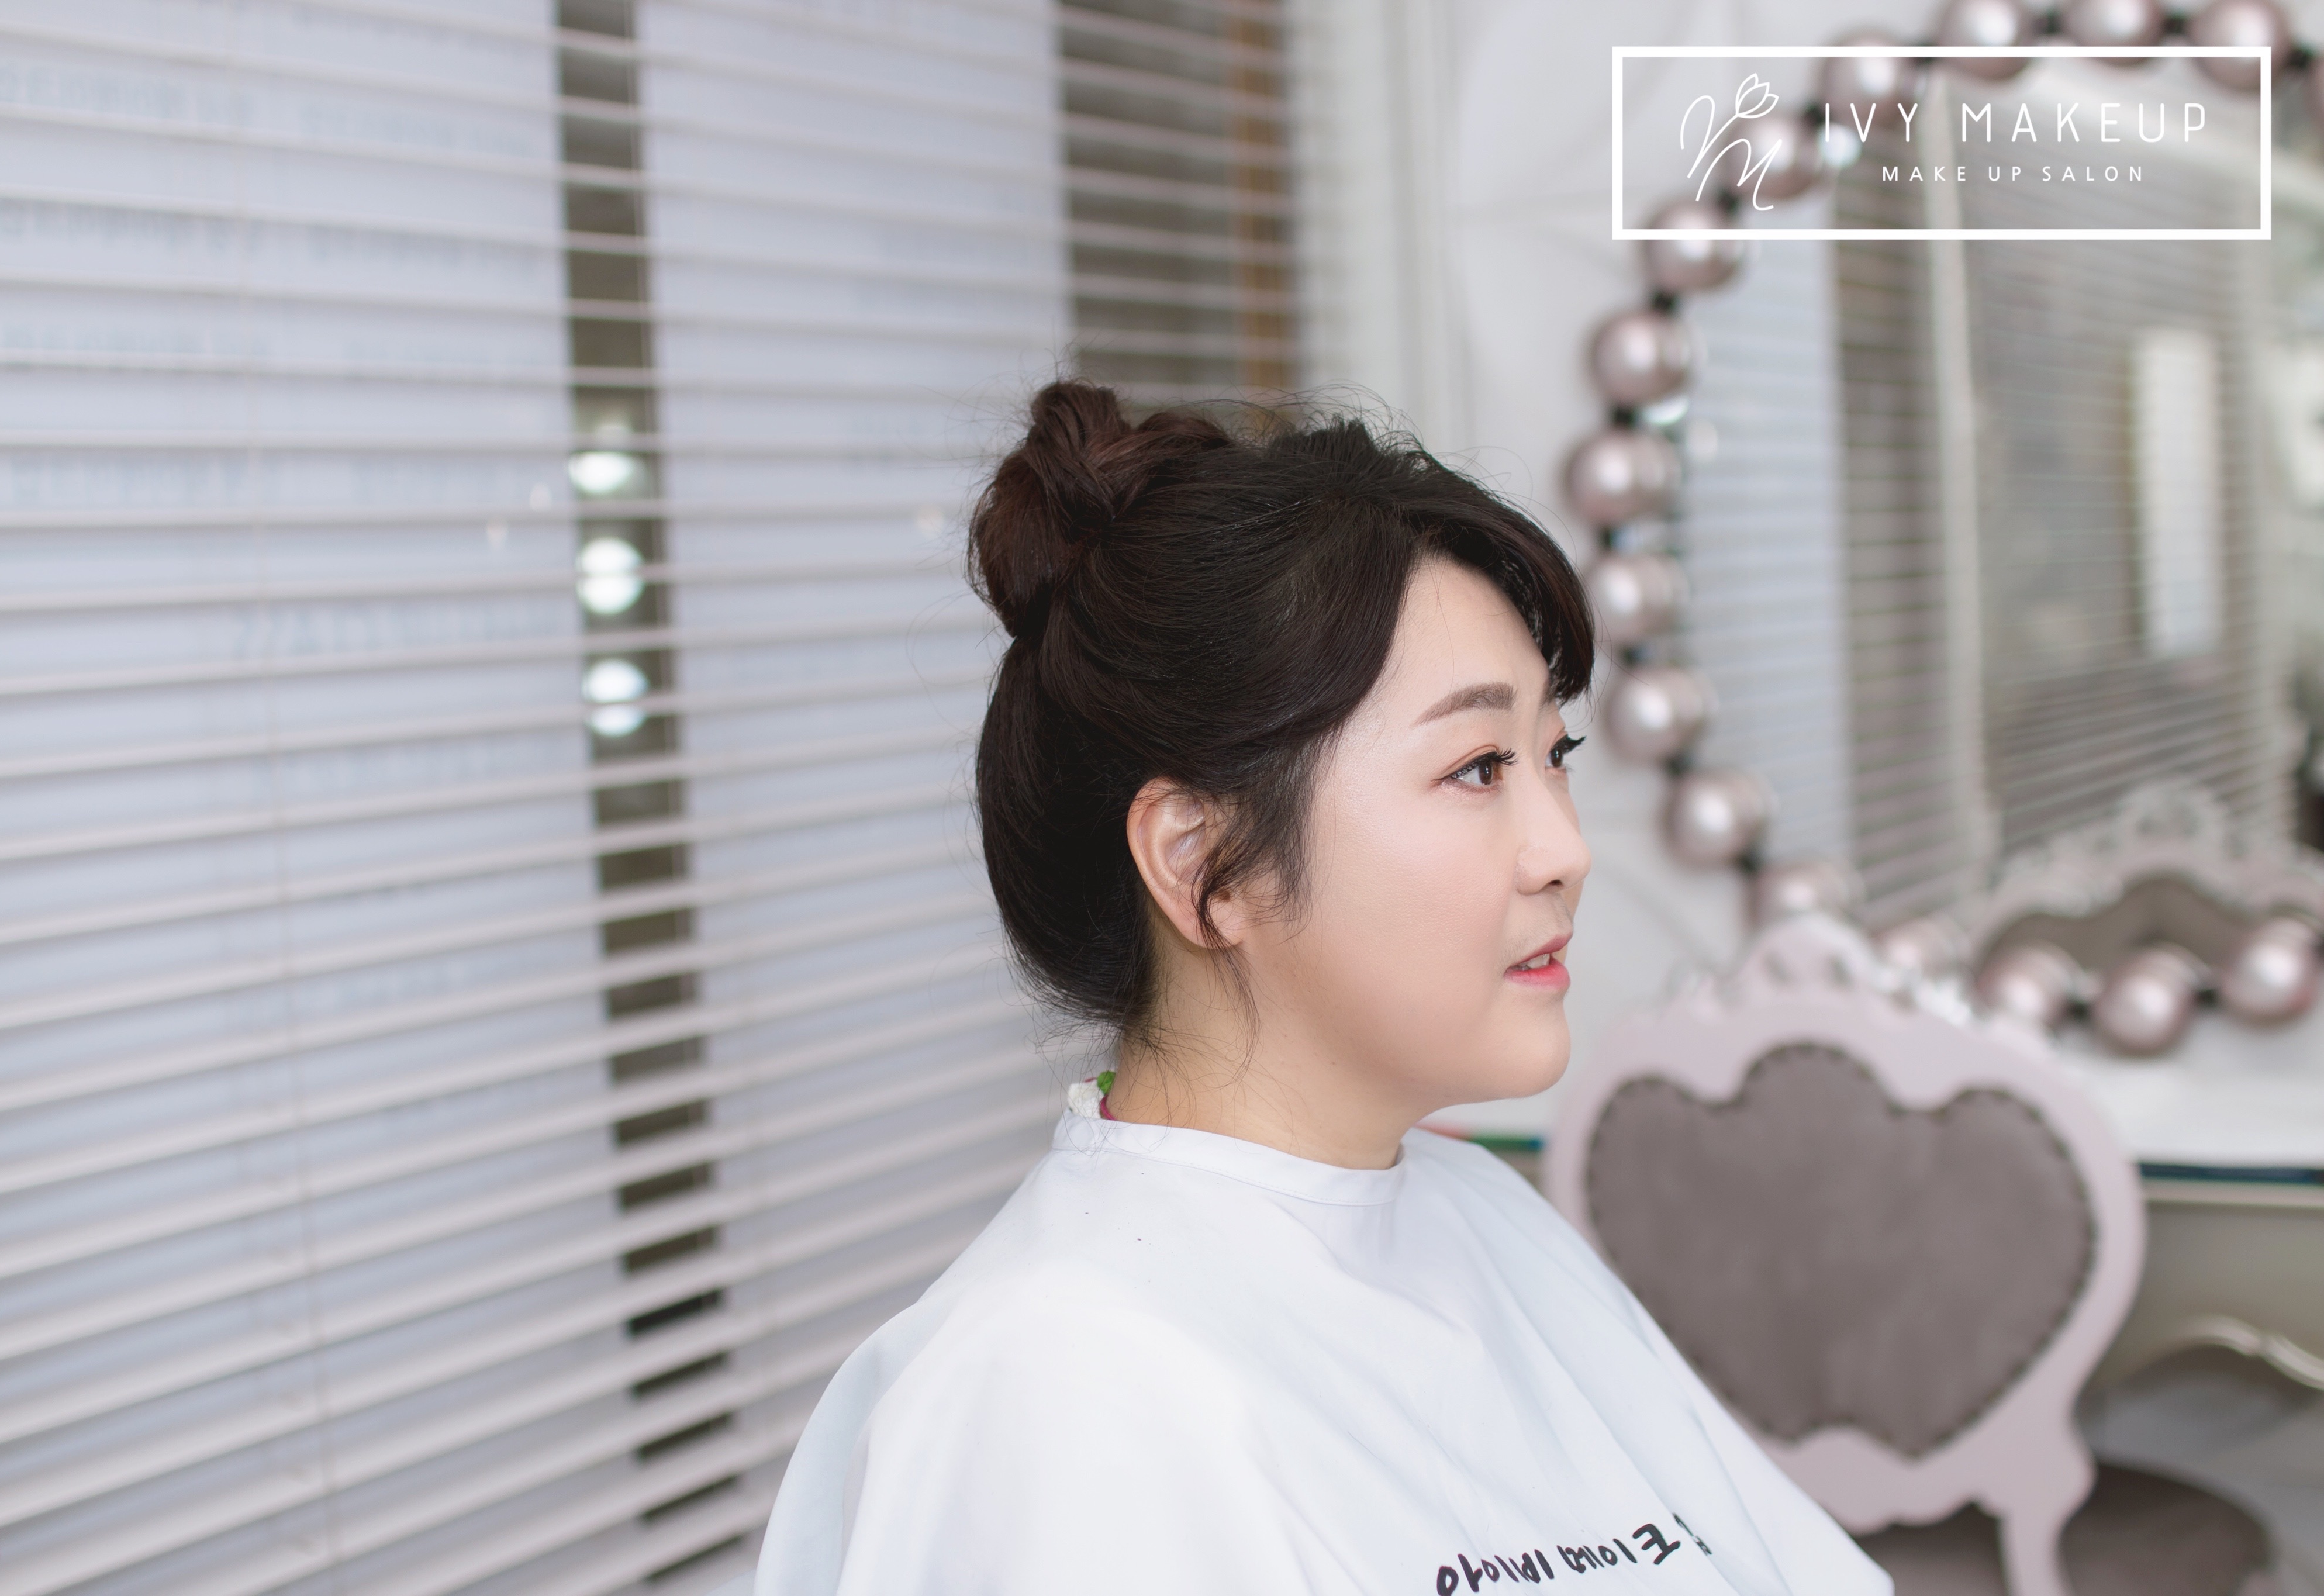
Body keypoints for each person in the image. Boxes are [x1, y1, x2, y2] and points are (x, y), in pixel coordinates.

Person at [751, 382, 1887, 1595]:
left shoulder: (1484, 1217)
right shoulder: (1057, 1393)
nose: (1565, 848)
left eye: (1550, 756)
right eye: (1476, 767)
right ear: (1204, 864)